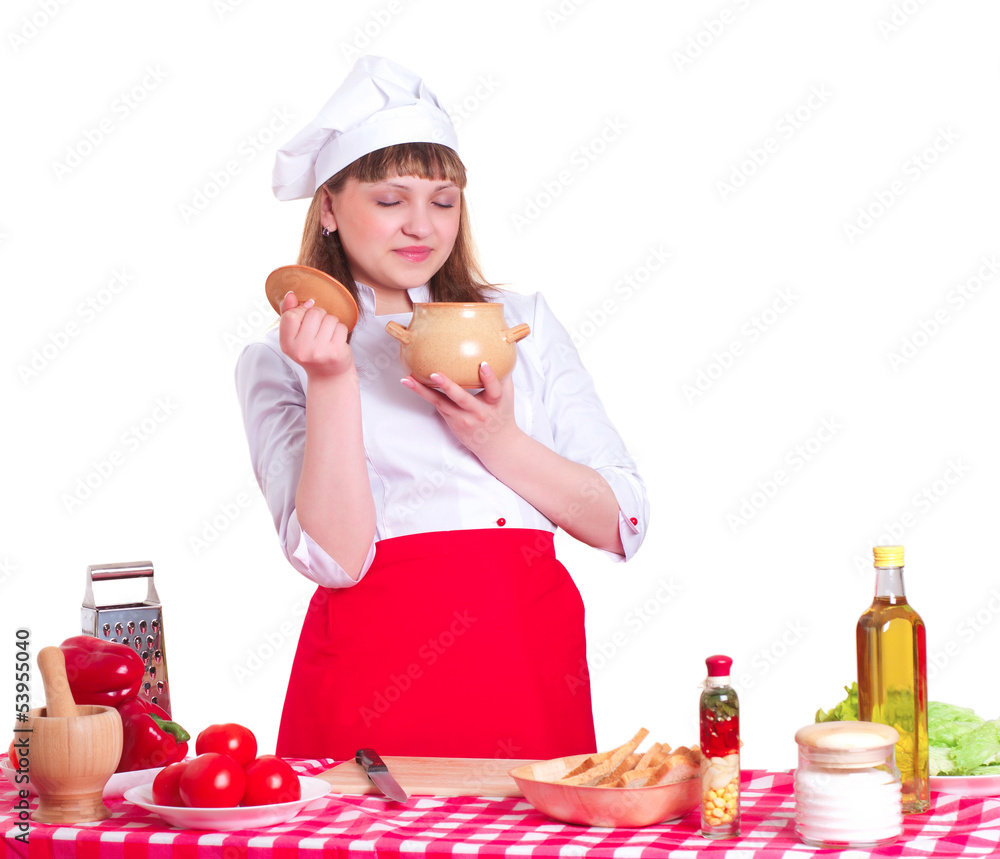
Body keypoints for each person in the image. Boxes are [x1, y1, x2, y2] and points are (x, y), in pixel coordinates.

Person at [235, 56, 648, 761]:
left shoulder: (521, 323)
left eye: (443, 199)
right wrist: (332, 378)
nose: (420, 225)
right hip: (370, 685)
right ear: (330, 207)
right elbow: (335, 559)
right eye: (391, 199)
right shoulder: (282, 358)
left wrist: (497, 438)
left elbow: (621, 522)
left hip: (527, 667)